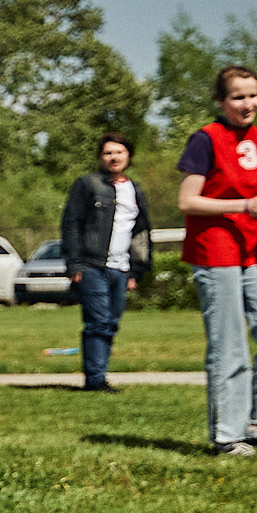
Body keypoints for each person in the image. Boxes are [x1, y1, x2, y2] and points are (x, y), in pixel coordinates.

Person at [179, 66, 257, 454]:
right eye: (237, 97)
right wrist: (244, 206)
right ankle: (227, 436)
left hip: (256, 253)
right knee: (230, 347)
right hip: (217, 254)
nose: (247, 103)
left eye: (253, 95)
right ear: (221, 101)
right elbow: (187, 201)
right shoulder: (206, 139)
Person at [60, 134, 151, 393]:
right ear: (101, 157)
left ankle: (99, 375)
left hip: (121, 269)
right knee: (98, 321)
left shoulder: (135, 189)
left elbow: (141, 232)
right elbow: (71, 223)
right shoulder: (87, 184)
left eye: (119, 152)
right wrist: (74, 264)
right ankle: (95, 379)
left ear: (128, 156)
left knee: (111, 322)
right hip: (91, 265)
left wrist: (136, 270)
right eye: (108, 153)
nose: (114, 157)